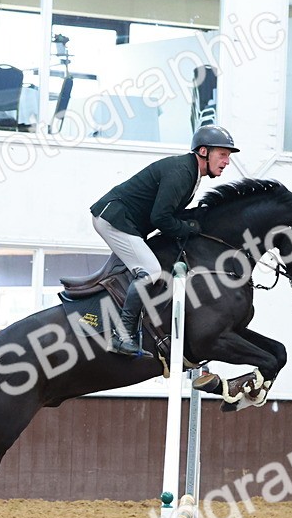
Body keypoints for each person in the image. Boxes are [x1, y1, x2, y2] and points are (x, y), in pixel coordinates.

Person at [90, 124, 239, 355]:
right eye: (222, 154)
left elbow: (170, 215)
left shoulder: (191, 173)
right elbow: (160, 218)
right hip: (113, 220)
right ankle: (122, 336)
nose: (226, 161)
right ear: (203, 152)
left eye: (228, 156)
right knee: (149, 271)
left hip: (125, 222)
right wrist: (189, 227)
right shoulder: (182, 172)